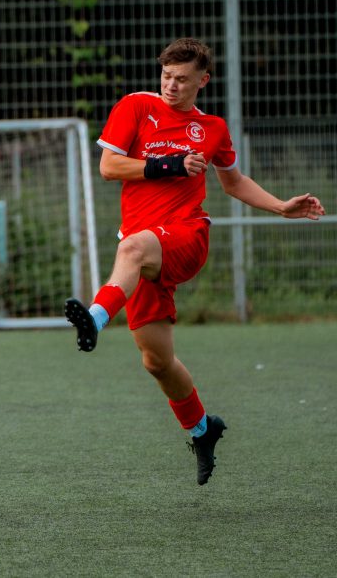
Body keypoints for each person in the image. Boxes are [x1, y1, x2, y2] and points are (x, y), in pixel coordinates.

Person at [65, 37, 325, 486]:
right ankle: (203, 428)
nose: (171, 85)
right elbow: (110, 167)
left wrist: (281, 206)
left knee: (130, 249)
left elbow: (234, 182)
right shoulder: (136, 107)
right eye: (166, 75)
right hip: (144, 252)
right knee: (156, 361)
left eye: (182, 79)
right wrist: (169, 165)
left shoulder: (212, 128)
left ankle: (95, 318)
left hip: (186, 236)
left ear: (203, 80)